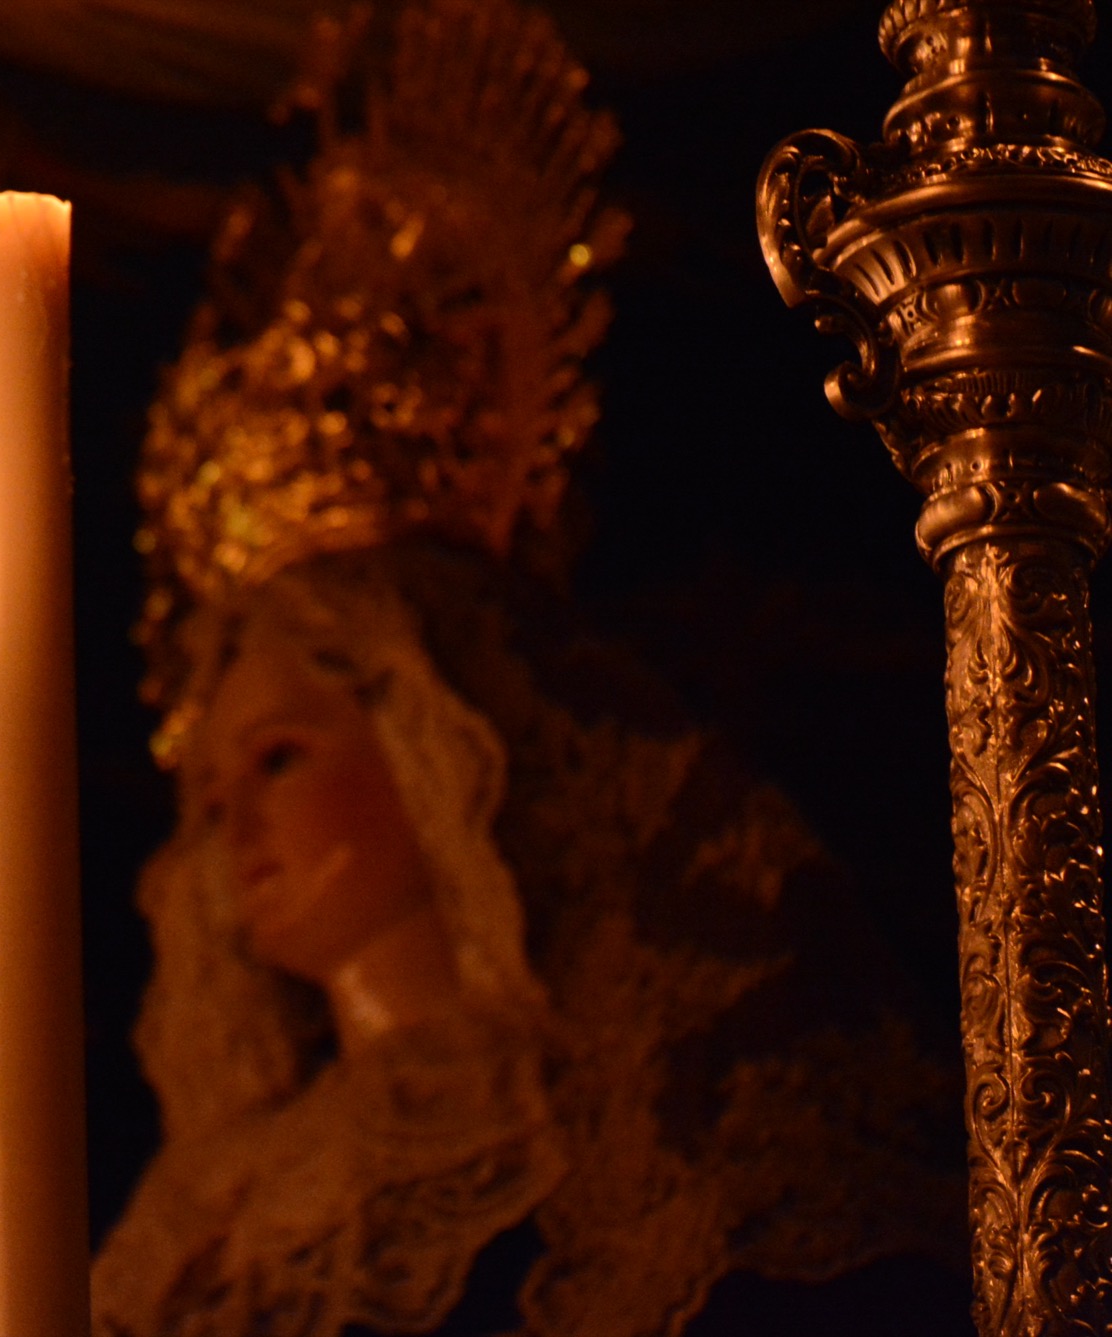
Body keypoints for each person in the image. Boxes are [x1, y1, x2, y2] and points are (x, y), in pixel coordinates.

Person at [91, 1, 968, 1333]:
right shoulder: (207, 1209)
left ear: (445, 749)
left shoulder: (624, 1143)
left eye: (278, 758)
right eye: (211, 797)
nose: (234, 831)